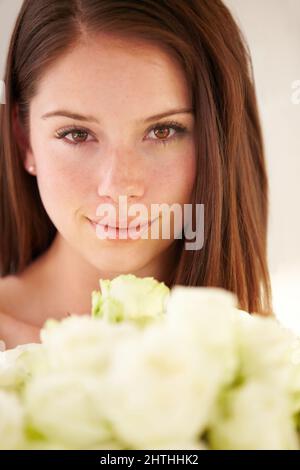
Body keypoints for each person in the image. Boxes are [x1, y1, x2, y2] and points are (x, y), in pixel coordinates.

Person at [0, 0, 273, 349]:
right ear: (24, 142)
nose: (118, 188)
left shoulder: (266, 360)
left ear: (218, 141)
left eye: (163, 131)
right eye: (76, 134)